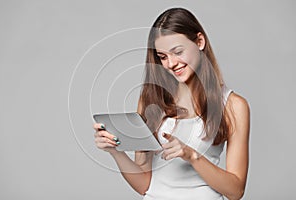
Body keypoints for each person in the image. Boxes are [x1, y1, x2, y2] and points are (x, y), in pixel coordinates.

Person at [94, 7, 250, 200]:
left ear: (199, 42)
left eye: (178, 52)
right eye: (163, 57)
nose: (171, 63)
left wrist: (191, 156)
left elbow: (236, 191)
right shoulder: (151, 99)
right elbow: (144, 185)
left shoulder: (233, 106)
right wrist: (115, 152)